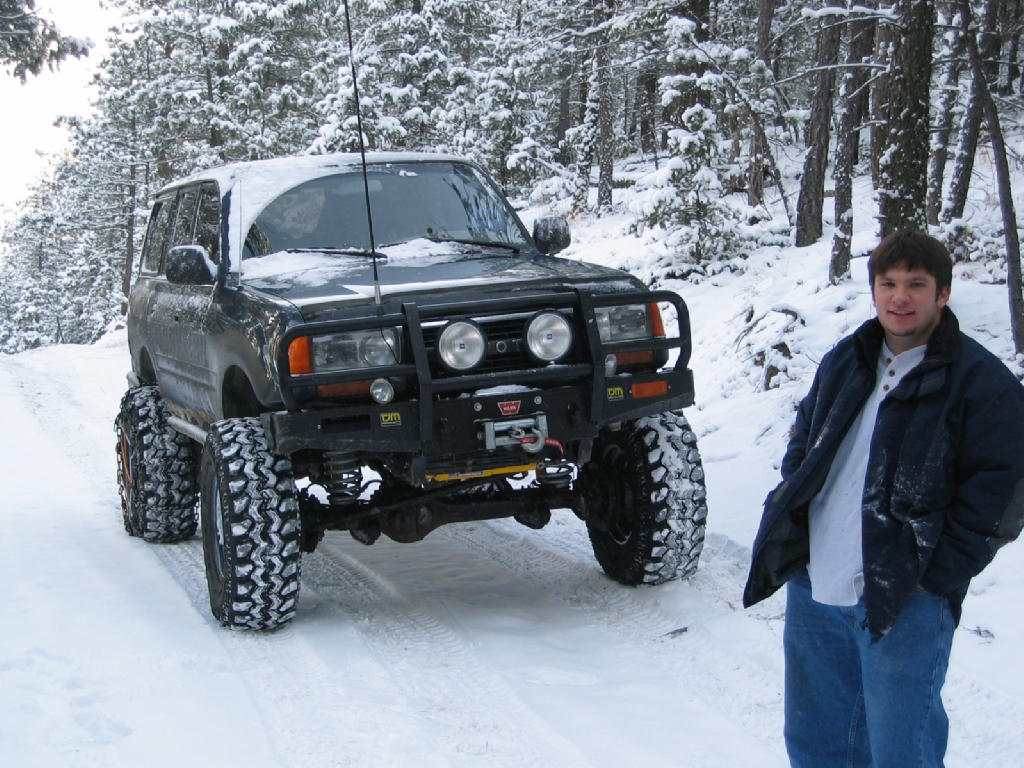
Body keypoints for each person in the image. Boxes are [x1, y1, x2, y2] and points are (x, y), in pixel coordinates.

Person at [743, 231, 1024, 767]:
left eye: (916, 285)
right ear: (873, 291)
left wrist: (933, 573)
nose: (900, 297)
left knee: (902, 753)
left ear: (942, 294)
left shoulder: (981, 383)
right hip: (817, 581)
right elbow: (804, 446)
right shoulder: (847, 360)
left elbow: (1002, 492)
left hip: (906, 594)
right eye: (888, 283)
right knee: (815, 745)